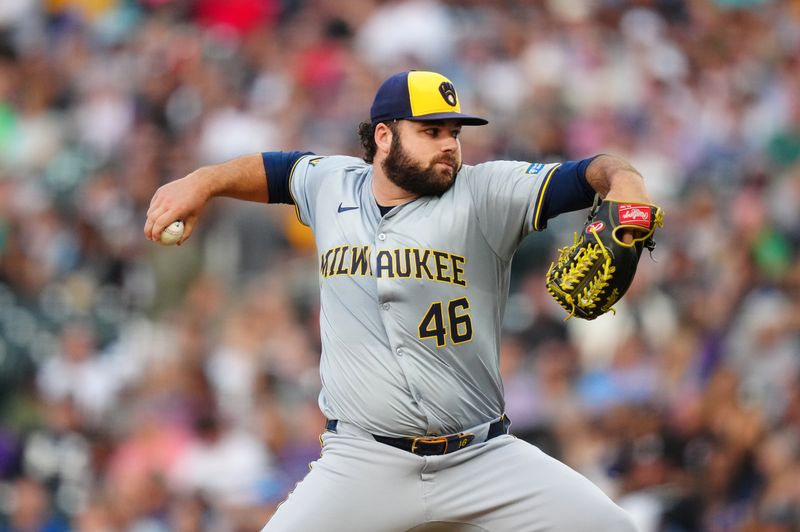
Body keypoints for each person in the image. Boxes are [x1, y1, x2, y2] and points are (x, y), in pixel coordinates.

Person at [144, 70, 647, 531]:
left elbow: (591, 173)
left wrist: (628, 183)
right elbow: (274, 171)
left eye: (454, 132)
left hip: (481, 458)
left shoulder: (486, 192)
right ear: (383, 135)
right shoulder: (332, 183)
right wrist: (201, 182)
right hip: (363, 462)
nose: (449, 145)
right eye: (431, 131)